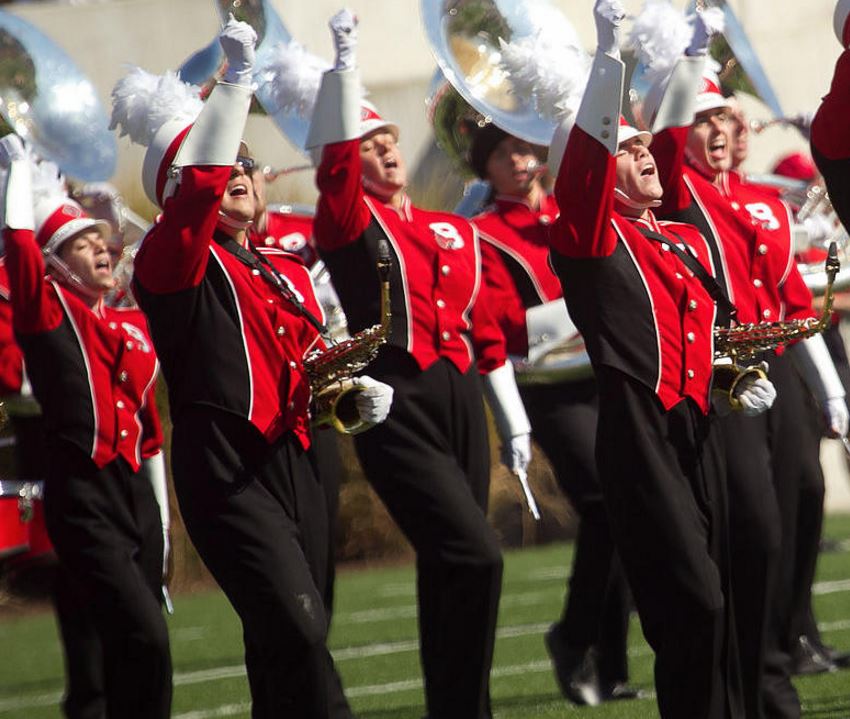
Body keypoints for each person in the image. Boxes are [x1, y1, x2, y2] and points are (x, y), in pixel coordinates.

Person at [113, 17, 392, 718]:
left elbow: (302, 363)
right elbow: (197, 191)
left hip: (300, 457)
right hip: (228, 465)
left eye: (248, 163)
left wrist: (347, 383)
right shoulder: (172, 259)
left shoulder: (286, 268)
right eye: (222, 165)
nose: (241, 174)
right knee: (298, 628)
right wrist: (236, 80)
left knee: (288, 639)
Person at [547, 1, 779, 715]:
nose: (644, 152)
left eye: (644, 144)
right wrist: (608, 58)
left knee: (729, 599)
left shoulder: (679, 237)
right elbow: (584, 170)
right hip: (641, 432)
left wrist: (739, 369)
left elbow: (700, 334)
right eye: (626, 147)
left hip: (701, 423)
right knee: (694, 605)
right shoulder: (589, 236)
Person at [306, 10, 532, 718]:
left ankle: (458, 708)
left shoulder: (447, 226)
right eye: (368, 144)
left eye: (389, 140)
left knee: (451, 565)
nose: (385, 151)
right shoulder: (346, 221)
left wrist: (510, 416)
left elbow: (486, 325)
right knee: (476, 554)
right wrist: (345, 69)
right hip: (393, 395)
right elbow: (337, 170)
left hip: (459, 392)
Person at [646, 28, 847, 716]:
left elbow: (796, 299)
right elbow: (668, 145)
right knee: (754, 525)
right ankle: (750, 672)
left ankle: (775, 664)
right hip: (724, 374)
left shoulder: (763, 200)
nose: (719, 133)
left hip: (782, 361)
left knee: (801, 497)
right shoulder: (679, 194)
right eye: (703, 122)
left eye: (725, 119)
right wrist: (690, 64)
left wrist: (830, 385)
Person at [0, 137, 171, 718]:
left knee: (141, 650)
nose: (102, 251)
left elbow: (150, 437)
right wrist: (18, 176)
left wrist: (162, 520)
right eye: (83, 245)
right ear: (55, 262)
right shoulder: (48, 312)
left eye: (103, 242)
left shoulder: (131, 322)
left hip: (136, 498)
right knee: (143, 635)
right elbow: (20, 248)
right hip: (84, 496)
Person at [466, 124, 636, 705]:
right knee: (601, 503)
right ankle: (573, 636)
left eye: (522, 147)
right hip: (551, 386)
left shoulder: (570, 210)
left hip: (607, 371)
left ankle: (610, 662)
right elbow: (498, 320)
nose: (517, 159)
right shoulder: (485, 233)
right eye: (500, 154)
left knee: (623, 505)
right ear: (484, 169)